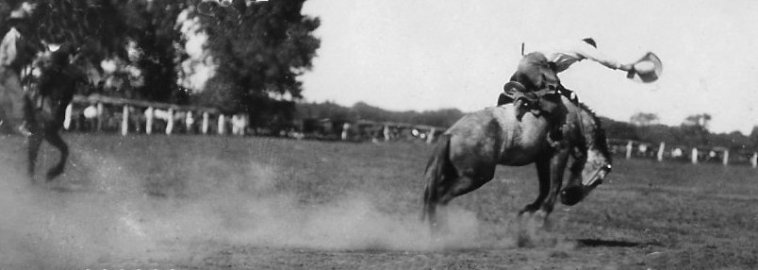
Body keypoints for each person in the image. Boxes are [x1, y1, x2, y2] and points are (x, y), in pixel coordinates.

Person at [0, 3, 36, 136]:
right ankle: (19, 125)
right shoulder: (13, 36)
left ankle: (10, 125)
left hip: (5, 69)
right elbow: (12, 56)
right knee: (18, 95)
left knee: (5, 98)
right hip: (6, 69)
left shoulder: (18, 36)